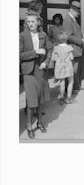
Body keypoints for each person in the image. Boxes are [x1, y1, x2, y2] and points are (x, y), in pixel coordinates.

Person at [20, 11, 52, 139]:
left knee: (40, 98)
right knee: (31, 99)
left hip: (40, 70)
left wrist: (46, 62)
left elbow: (50, 50)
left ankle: (40, 122)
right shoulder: (22, 36)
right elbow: (19, 55)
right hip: (28, 71)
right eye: (28, 21)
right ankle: (28, 125)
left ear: (38, 22)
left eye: (33, 21)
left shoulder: (43, 35)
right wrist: (35, 52)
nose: (30, 24)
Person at [63, 1, 84, 91]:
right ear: (71, 10)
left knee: (74, 70)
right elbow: (68, 36)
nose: (78, 13)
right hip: (73, 49)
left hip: (75, 49)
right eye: (77, 11)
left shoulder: (71, 18)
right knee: (71, 71)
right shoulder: (67, 19)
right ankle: (68, 91)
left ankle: (75, 87)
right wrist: (80, 40)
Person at [51, 32, 74, 105]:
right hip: (68, 66)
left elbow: (53, 58)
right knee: (70, 81)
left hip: (60, 66)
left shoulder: (56, 48)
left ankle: (61, 98)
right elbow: (71, 57)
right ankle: (69, 98)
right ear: (66, 39)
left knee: (62, 82)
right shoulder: (68, 47)